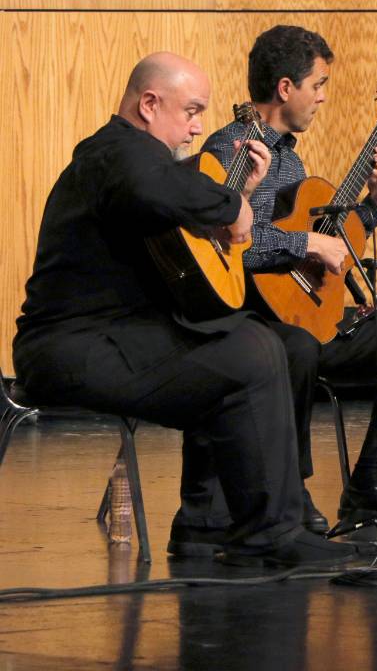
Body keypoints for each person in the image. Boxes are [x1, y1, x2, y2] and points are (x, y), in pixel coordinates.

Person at [13, 52, 356, 566]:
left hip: (125, 337)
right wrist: (233, 206)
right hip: (73, 348)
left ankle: (215, 521)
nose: (198, 127)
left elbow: (172, 221)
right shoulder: (113, 153)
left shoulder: (143, 163)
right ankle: (267, 532)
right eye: (191, 111)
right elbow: (153, 186)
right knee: (249, 349)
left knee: (278, 343)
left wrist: (235, 194)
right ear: (149, 104)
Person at [202, 25, 377, 532]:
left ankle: (371, 486)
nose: (323, 97)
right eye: (318, 84)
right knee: (296, 350)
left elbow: (327, 235)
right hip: (253, 319)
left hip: (304, 313)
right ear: (285, 88)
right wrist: (304, 244)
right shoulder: (234, 149)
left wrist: (374, 205)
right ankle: (288, 492)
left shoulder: (289, 156)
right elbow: (228, 248)